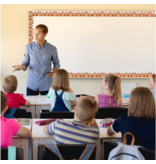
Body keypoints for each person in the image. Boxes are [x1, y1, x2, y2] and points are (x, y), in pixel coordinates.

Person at [12, 24, 60, 96]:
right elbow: (25, 63)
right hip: (32, 84)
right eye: (34, 33)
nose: (35, 36)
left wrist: (53, 72)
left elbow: (57, 64)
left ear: (45, 34)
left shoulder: (52, 49)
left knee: (47, 106)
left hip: (47, 84)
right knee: (30, 106)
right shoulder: (28, 47)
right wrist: (21, 66)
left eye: (38, 34)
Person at [107, 87, 156, 152]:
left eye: (130, 100)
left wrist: (116, 122)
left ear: (134, 104)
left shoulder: (122, 120)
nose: (128, 103)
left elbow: (109, 132)